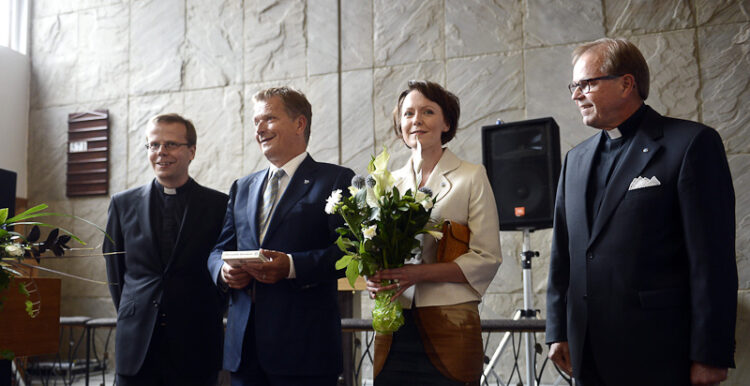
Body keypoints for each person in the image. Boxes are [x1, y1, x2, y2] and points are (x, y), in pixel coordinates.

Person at [545, 38, 738, 386]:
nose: (576, 95)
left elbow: (712, 261)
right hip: (586, 353)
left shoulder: (692, 144)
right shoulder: (575, 160)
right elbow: (563, 256)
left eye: (587, 83)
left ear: (626, 83)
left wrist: (711, 353)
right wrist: (557, 330)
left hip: (660, 353)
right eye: (574, 86)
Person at [207, 86, 354, 386]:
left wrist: (290, 266)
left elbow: (349, 253)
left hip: (304, 350)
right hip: (244, 350)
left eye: (269, 119)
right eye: (255, 122)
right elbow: (217, 251)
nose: (259, 128)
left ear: (300, 124)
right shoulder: (242, 187)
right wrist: (223, 272)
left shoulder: (336, 180)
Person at [366, 80, 502, 385]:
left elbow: (487, 257)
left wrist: (419, 274)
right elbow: (374, 250)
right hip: (394, 326)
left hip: (449, 322)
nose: (416, 120)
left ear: (446, 123)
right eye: (408, 113)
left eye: (427, 111)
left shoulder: (471, 176)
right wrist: (374, 278)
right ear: (400, 125)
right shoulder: (386, 182)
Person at [103, 113, 229, 386]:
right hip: (136, 344)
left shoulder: (219, 206)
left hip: (196, 342)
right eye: (154, 145)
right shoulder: (122, 204)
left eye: (171, 144)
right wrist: (135, 311)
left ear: (192, 151)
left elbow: (223, 274)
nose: (161, 152)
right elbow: (116, 273)